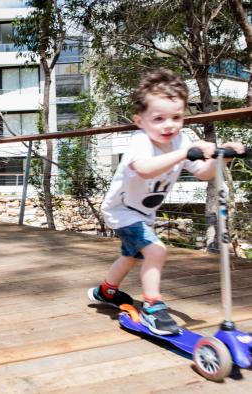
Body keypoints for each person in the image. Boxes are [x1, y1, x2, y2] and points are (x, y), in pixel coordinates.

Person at [87, 68, 244, 335]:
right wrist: (186, 152)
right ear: (140, 120)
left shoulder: (181, 140)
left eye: (176, 117)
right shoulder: (140, 142)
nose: (169, 125)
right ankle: (152, 306)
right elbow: (146, 169)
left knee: (132, 255)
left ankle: (105, 291)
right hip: (122, 211)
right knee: (156, 251)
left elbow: (206, 174)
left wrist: (223, 156)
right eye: (158, 118)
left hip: (142, 214)